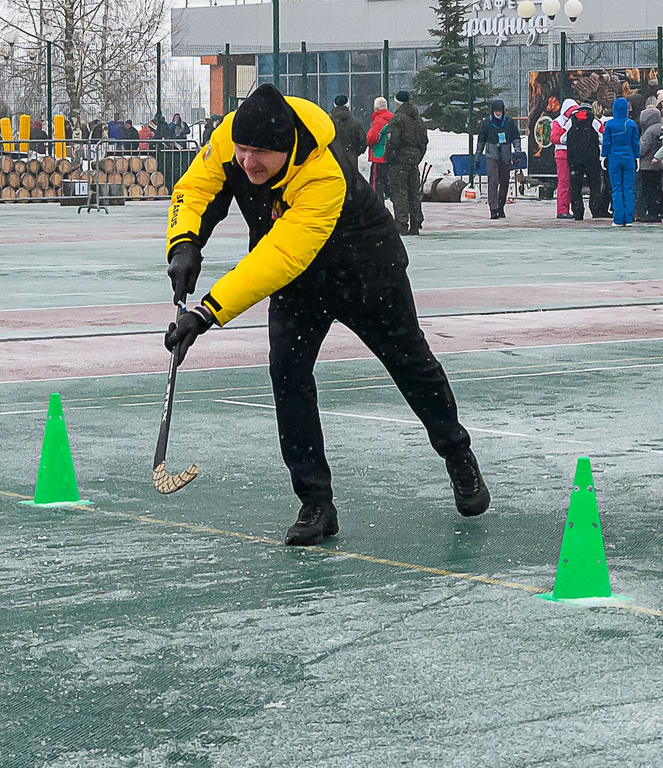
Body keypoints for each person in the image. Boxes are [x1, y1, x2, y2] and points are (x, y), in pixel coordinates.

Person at [162, 83, 487, 544]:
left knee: (412, 365)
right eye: (242, 150)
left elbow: (279, 256)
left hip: (365, 269)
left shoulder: (322, 172)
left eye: (259, 154)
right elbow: (195, 189)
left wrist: (207, 312)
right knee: (289, 377)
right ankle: (316, 502)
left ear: (287, 149)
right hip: (299, 285)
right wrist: (184, 244)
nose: (247, 162)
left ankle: (458, 454)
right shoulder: (231, 138)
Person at [383, 91, 429, 233]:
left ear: (397, 103)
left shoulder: (398, 119)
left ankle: (402, 223)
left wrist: (389, 158)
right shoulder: (417, 119)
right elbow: (424, 141)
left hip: (400, 161)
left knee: (400, 192)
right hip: (413, 161)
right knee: (414, 192)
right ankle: (416, 222)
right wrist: (417, 156)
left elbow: (393, 142)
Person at [475, 98, 520, 219]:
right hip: (491, 155)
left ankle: (501, 206)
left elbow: (516, 138)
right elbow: (481, 141)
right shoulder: (486, 123)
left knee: (504, 182)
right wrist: (478, 156)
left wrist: (517, 152)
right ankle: (493, 209)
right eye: (496, 111)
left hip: (505, 155)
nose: (498, 113)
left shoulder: (509, 122)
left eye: (500, 111)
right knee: (493, 181)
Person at [600, 95, 640, 225]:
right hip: (628, 156)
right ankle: (628, 218)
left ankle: (618, 218)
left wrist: (603, 156)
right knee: (628, 188)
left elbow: (606, 142)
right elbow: (636, 143)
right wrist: (637, 157)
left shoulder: (610, 124)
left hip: (614, 157)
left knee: (616, 188)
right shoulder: (631, 124)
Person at [565, 101, 607, 220]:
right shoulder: (594, 121)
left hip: (574, 157)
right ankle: (595, 209)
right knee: (595, 184)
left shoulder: (570, 121)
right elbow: (603, 137)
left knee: (575, 185)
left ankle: (578, 212)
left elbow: (562, 138)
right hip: (591, 157)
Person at [329, 93, 369, 176]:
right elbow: (362, 144)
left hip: (332, 160)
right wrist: (353, 153)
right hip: (351, 160)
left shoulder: (328, 122)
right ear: (348, 105)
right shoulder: (355, 123)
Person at [551, 99, 576, 217]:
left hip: (572, 153)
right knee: (564, 182)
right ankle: (562, 210)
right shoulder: (558, 122)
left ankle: (568, 208)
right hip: (562, 154)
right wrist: (564, 136)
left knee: (572, 182)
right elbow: (554, 138)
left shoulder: (574, 121)